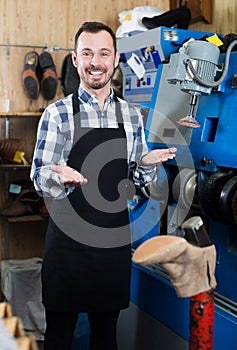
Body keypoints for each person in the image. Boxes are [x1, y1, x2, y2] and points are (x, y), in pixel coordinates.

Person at [30, 21, 176, 350]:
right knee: (59, 336)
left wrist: (145, 166)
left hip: (110, 246)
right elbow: (38, 176)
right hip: (67, 248)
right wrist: (58, 175)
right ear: (76, 59)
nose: (96, 61)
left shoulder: (131, 116)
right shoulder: (57, 114)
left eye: (104, 53)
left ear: (115, 59)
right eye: (87, 53)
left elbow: (137, 184)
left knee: (106, 336)